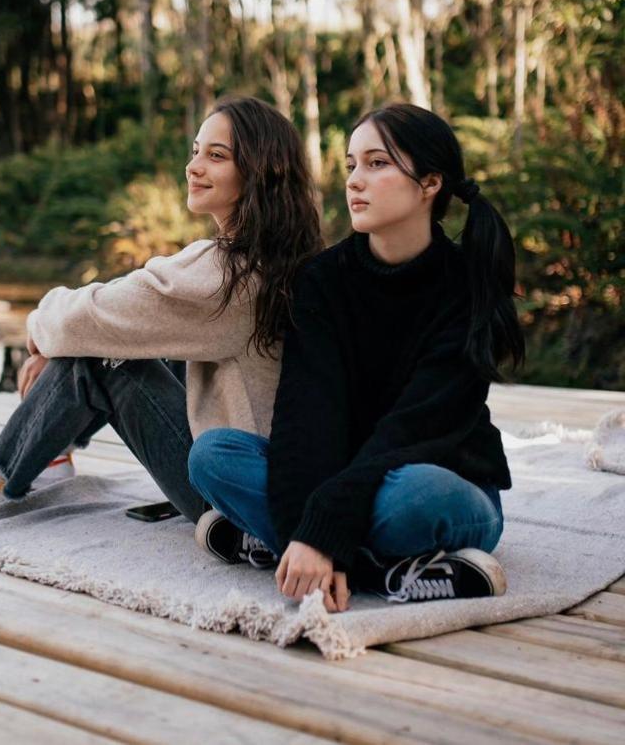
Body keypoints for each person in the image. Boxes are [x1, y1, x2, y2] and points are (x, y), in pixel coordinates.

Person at [0, 96, 322, 549]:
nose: (193, 167)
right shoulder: (279, 260)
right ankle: (51, 447)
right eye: (195, 151)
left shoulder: (229, 278)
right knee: (132, 339)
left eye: (216, 156)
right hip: (265, 471)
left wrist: (40, 332)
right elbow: (132, 305)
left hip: (230, 495)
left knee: (107, 358)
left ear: (260, 173)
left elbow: (94, 318)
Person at [189, 103, 524, 610]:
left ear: (430, 183)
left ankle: (287, 545)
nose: (354, 182)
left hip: (435, 477)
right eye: (350, 166)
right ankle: (382, 570)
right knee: (213, 456)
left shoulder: (467, 286)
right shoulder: (322, 280)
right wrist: (325, 532)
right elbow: (307, 419)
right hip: (340, 476)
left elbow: (412, 431)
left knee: (411, 496)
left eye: (376, 164)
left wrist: (322, 531)